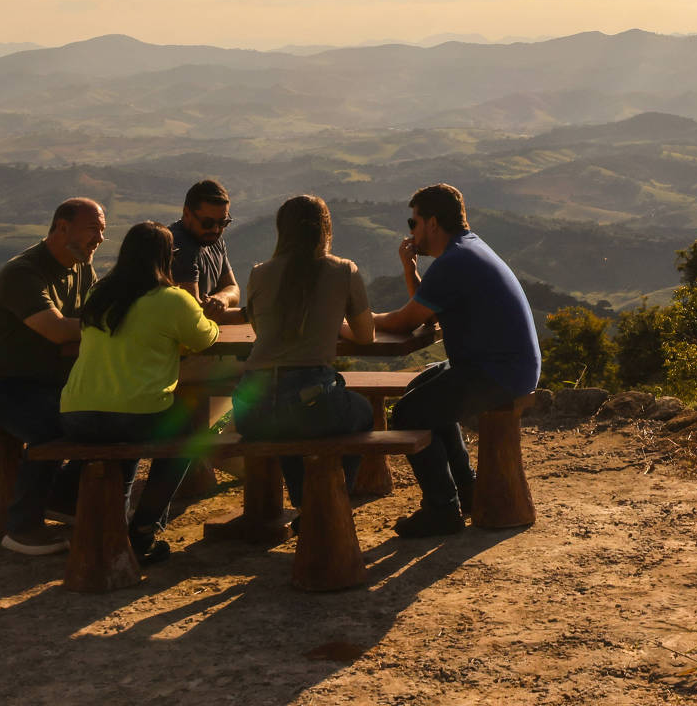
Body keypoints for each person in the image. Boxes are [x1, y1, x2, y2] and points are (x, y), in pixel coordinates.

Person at [371, 182, 540, 537]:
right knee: (425, 388)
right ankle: (465, 489)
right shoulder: (466, 250)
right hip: (505, 365)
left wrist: (350, 323)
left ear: (432, 223)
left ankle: (442, 509)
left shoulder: (455, 261)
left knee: (407, 412)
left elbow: (406, 320)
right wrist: (409, 268)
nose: (411, 231)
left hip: (499, 372)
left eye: (413, 223)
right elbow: (429, 312)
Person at [58, 222, 220, 567]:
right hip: (136, 415)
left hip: (76, 415)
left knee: (125, 441)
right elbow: (207, 338)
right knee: (185, 438)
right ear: (167, 258)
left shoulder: (98, 294)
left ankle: (113, 530)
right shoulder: (172, 299)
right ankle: (144, 528)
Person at [0, 197, 105, 555]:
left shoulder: (81, 267)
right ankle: (22, 528)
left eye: (103, 230)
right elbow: (59, 331)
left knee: (103, 417)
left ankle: (59, 497)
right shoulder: (23, 273)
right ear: (61, 227)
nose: (100, 238)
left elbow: (89, 318)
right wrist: (107, 327)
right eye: (93, 229)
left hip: (45, 382)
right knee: (54, 426)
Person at [233, 195, 379, 506]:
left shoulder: (259, 273)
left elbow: (262, 333)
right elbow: (366, 336)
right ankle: (329, 500)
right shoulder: (343, 270)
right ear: (326, 229)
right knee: (362, 413)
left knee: (290, 425)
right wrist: (334, 322)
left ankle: (305, 503)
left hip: (251, 411)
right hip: (309, 403)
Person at [170, 178, 246, 325]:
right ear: (187, 214)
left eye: (223, 222)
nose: (216, 229)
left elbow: (233, 288)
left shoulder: (213, 240)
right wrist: (248, 315)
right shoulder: (178, 246)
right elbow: (192, 313)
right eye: (207, 223)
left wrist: (222, 298)